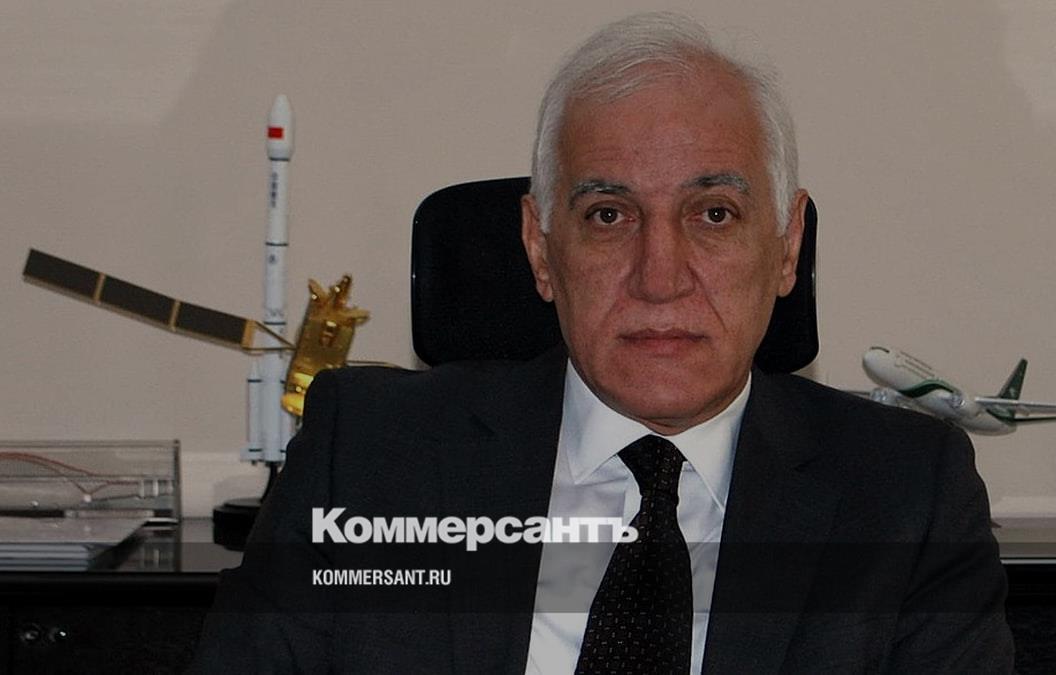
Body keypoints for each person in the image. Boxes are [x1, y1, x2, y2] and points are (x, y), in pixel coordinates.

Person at [192, 12, 1013, 674]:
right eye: (609, 215)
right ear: (541, 248)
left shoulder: (905, 500)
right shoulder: (368, 457)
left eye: (714, 214)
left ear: (787, 246)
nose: (660, 276)